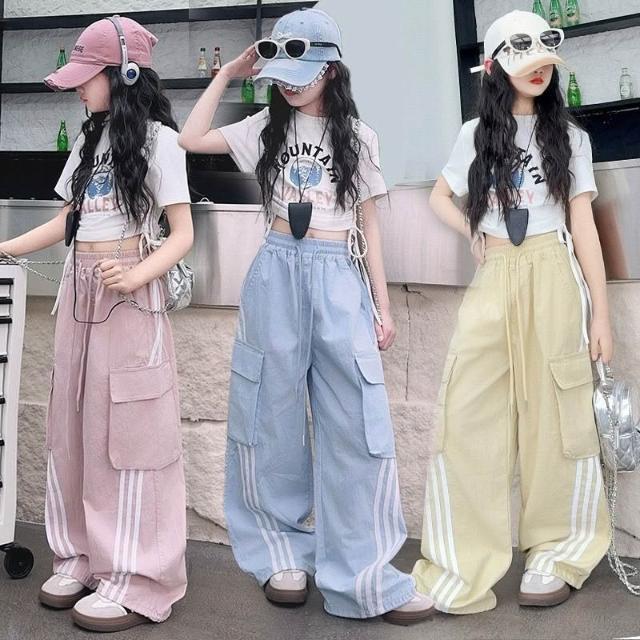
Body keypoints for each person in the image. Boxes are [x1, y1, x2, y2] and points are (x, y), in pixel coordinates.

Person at [179, 7, 433, 626]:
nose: (291, 86)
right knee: (269, 416)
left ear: (332, 71)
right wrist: (230, 74)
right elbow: (189, 138)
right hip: (275, 270)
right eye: (283, 75)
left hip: (338, 273)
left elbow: (370, 228)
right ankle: (281, 557)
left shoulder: (359, 138)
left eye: (304, 73)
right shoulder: (264, 127)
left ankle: (365, 575)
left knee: (356, 426)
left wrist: (383, 305)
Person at [412, 10, 612, 614]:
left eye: (546, 62)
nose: (540, 72)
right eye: (526, 62)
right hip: (496, 275)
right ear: (495, 67)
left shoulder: (570, 138)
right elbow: (440, 196)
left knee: (557, 415)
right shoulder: (475, 135)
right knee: (469, 413)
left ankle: (556, 549)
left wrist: (600, 314)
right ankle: (460, 559)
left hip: (553, 272)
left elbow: (583, 225)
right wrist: (473, 233)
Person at [0, 16, 193, 632]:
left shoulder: (162, 142)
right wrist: (5, 249)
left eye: (88, 76)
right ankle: (80, 556)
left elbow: (182, 234)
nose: (80, 88)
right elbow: (68, 221)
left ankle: (137, 575)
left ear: (125, 74)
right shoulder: (89, 142)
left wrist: (136, 275)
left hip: (129, 297)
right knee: (73, 424)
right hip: (80, 292)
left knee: (129, 432)